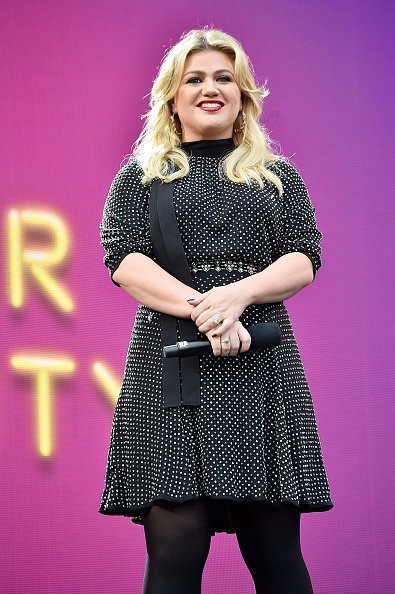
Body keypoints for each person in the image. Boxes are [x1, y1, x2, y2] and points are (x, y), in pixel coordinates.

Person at [99, 27, 334, 594]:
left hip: (262, 370)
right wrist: (211, 311)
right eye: (195, 78)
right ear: (172, 97)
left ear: (244, 94)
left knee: (278, 556)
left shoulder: (277, 176)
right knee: (173, 557)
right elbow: (125, 260)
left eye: (224, 78)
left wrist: (240, 296)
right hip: (171, 369)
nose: (211, 88)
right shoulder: (141, 176)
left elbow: (303, 259)